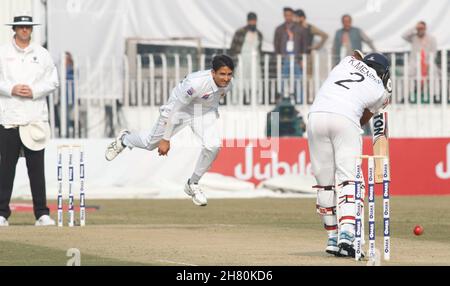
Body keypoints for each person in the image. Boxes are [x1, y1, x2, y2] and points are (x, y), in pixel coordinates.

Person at [105, 55, 234, 206]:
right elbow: (176, 109)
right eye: (222, 74)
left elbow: (213, 99)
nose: (226, 78)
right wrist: (166, 139)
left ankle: (192, 184)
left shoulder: (230, 84)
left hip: (202, 113)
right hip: (179, 110)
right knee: (150, 144)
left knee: (213, 146)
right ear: (213, 73)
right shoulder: (195, 84)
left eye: (229, 74)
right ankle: (124, 139)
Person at [307, 50, 391, 257]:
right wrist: (385, 95)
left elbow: (356, 61)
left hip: (315, 117)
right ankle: (347, 236)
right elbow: (364, 119)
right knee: (350, 180)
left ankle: (332, 238)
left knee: (324, 183)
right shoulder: (380, 90)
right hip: (344, 120)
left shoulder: (346, 62)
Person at [0, 15, 59, 226]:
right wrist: (10, 89)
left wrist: (33, 91)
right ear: (14, 29)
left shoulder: (42, 54)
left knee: (36, 169)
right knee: (6, 168)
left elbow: (53, 81)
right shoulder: (3, 52)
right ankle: (1, 214)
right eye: (21, 27)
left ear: (31, 30)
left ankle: (41, 214)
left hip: (35, 118)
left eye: (27, 27)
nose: (25, 30)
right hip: (9, 117)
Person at [230, 12, 263, 104]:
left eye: (254, 21)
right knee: (239, 80)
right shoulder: (240, 32)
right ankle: (235, 102)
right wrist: (235, 60)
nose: (253, 23)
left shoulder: (259, 34)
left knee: (256, 81)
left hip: (255, 60)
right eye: (251, 21)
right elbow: (233, 47)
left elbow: (259, 49)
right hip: (242, 59)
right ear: (248, 21)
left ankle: (256, 102)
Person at [274, 7, 307, 100]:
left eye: (289, 15)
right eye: (286, 15)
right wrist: (278, 60)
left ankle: (300, 100)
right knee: (283, 79)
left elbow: (304, 45)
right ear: (284, 16)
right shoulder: (280, 29)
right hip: (284, 58)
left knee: (298, 79)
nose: (287, 17)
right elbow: (276, 45)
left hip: (296, 58)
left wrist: (302, 59)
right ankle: (283, 99)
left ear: (292, 16)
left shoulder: (300, 28)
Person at [402, 21, 439, 103]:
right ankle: (406, 96)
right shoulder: (413, 37)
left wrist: (428, 64)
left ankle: (435, 96)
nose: (420, 30)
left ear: (425, 29)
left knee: (434, 72)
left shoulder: (431, 38)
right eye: (418, 28)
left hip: (427, 62)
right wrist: (414, 28)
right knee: (407, 73)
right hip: (414, 62)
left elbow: (434, 53)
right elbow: (404, 36)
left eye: (422, 28)